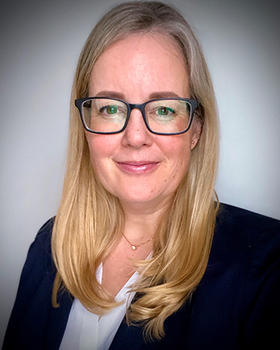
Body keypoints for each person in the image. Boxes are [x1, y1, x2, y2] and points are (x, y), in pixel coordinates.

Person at [3, 1, 280, 349]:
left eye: (164, 109)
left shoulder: (266, 266)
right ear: (86, 126)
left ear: (196, 128)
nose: (135, 137)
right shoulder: (50, 246)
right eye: (110, 108)